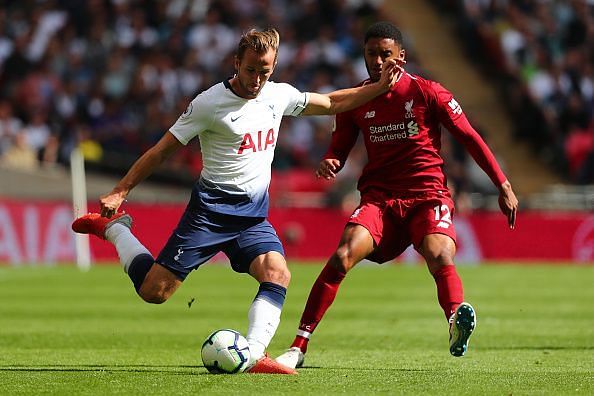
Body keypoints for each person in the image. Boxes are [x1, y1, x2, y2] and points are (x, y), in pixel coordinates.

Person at [71, 28, 400, 375]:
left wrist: (378, 88)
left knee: (277, 273)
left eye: (265, 71)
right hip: (209, 214)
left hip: (253, 217)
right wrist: (121, 191)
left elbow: (332, 102)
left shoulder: (278, 95)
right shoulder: (208, 103)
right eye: (250, 70)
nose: (257, 79)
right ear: (236, 63)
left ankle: (255, 355)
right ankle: (115, 230)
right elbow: (161, 150)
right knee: (154, 292)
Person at [275, 21, 519, 369]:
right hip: (380, 200)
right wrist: (332, 159)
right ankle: (298, 346)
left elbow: (470, 137)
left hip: (427, 195)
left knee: (439, 254)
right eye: (371, 54)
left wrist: (503, 184)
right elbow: (339, 146)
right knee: (343, 255)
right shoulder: (355, 99)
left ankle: (454, 322)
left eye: (385, 54)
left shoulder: (427, 92)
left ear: (401, 57)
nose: (377, 61)